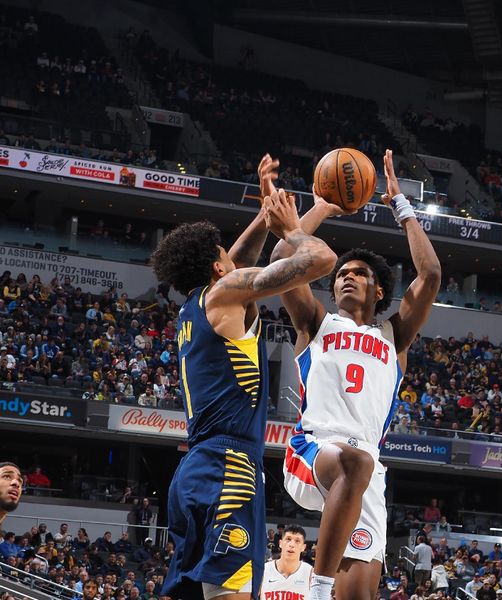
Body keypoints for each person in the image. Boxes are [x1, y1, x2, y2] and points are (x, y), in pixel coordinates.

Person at [154, 154, 337, 600]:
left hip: (195, 471)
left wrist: (264, 211)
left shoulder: (197, 305)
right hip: (229, 470)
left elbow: (236, 260)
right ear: (218, 269)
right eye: (223, 255)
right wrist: (292, 228)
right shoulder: (224, 292)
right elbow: (321, 259)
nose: (231, 258)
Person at [279, 149, 440, 600]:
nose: (346, 278)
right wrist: (323, 207)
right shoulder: (316, 321)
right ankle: (316, 590)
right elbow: (282, 255)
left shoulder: (394, 335)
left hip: (367, 468)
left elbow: (430, 274)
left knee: (361, 595)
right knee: (354, 462)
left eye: (359, 273)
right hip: (314, 449)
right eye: (341, 274)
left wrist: (400, 205)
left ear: (379, 289)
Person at [261, 525, 312, 600]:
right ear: (280, 543)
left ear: (303, 547)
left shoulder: (310, 573)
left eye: (297, 541)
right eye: (288, 539)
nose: (291, 545)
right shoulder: (264, 570)